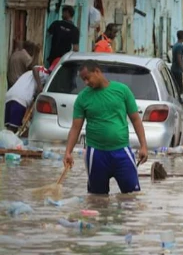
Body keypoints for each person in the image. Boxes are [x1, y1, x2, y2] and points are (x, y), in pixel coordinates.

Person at [63, 60, 148, 195]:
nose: (86, 82)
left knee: (132, 197)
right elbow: (75, 128)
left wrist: (143, 146)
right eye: (83, 79)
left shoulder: (122, 91)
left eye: (87, 78)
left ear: (97, 71)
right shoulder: (82, 98)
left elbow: (136, 120)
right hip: (96, 155)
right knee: (97, 200)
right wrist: (68, 151)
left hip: (122, 152)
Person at [4, 58, 49, 132]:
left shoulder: (28, 75)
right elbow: (35, 68)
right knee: (12, 130)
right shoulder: (46, 73)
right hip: (19, 99)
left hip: (9, 97)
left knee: (9, 131)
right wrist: (39, 85)